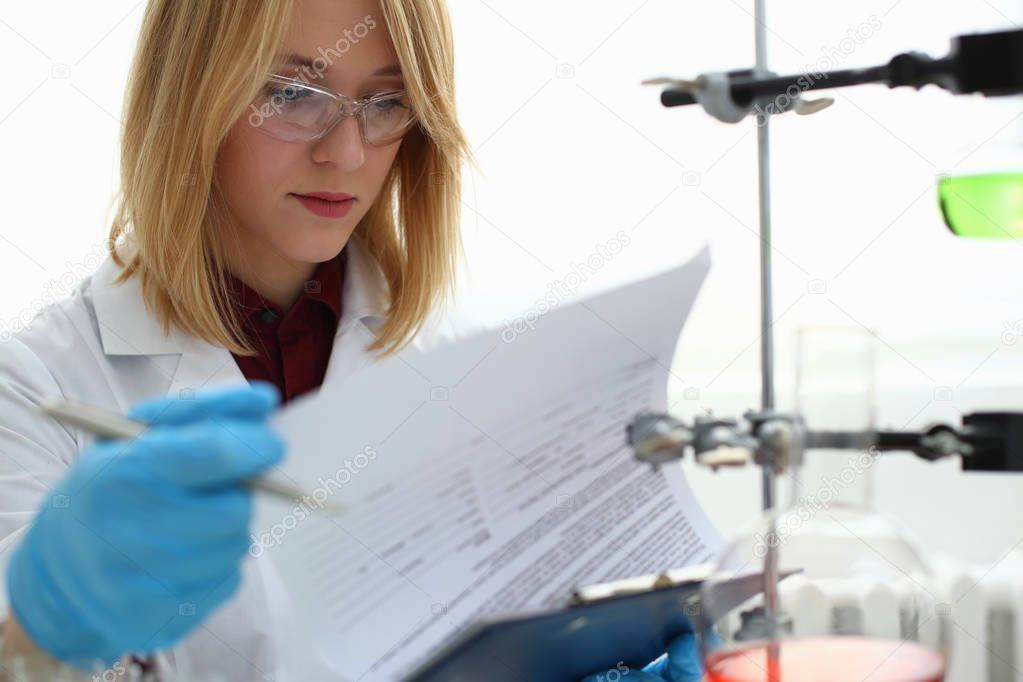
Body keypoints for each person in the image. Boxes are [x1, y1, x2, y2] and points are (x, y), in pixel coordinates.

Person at [0, 0, 703, 679]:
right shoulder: (35, 385)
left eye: (385, 102)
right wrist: (47, 632)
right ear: (188, 96)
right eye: (289, 93)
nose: (345, 152)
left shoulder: (466, 362)